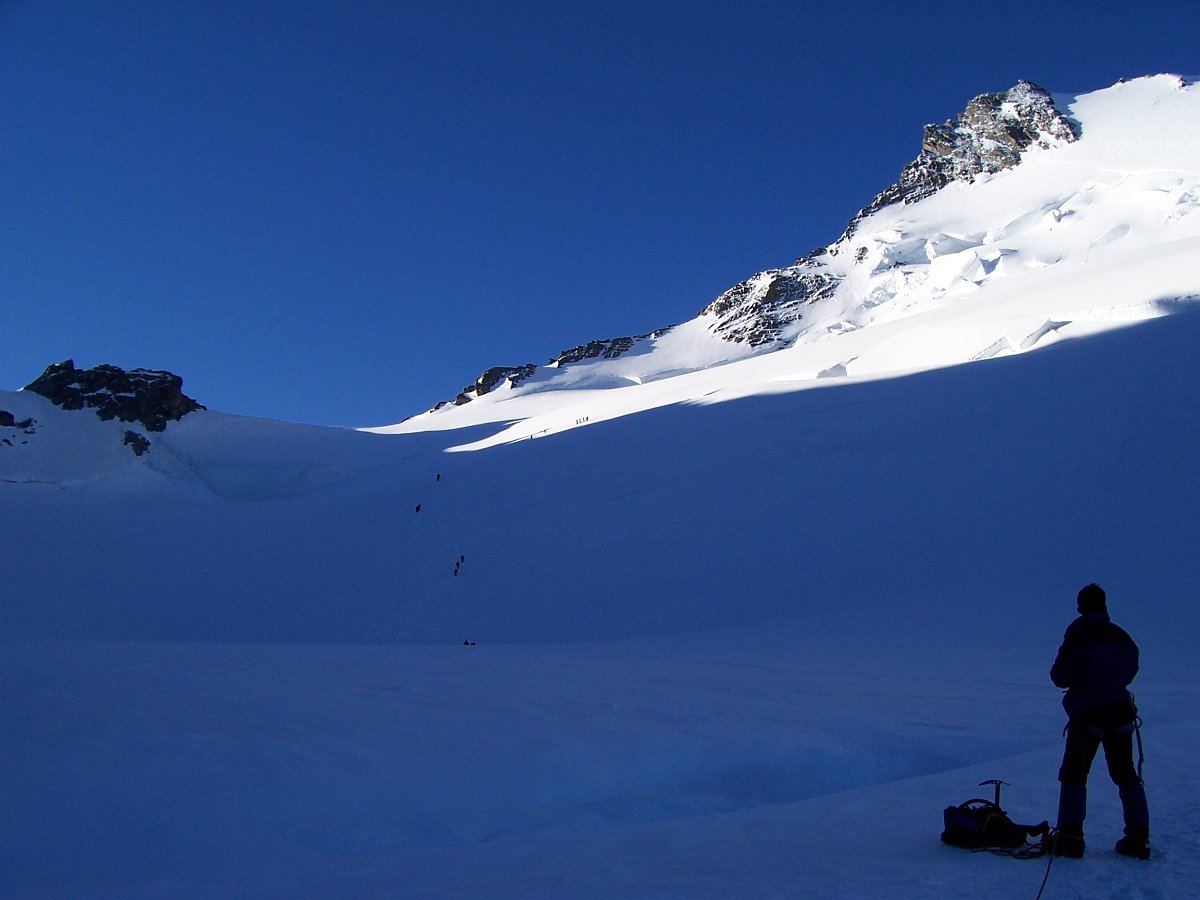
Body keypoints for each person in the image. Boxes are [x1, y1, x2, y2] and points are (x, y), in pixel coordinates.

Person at [1050, 583, 1150, 859]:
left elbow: (1061, 674)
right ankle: (1138, 836)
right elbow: (1131, 668)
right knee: (1125, 772)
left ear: (1081, 606)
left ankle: (1070, 837)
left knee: (1074, 772)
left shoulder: (1079, 632)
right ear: (1104, 605)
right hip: (1119, 710)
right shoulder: (1120, 635)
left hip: (1088, 712)